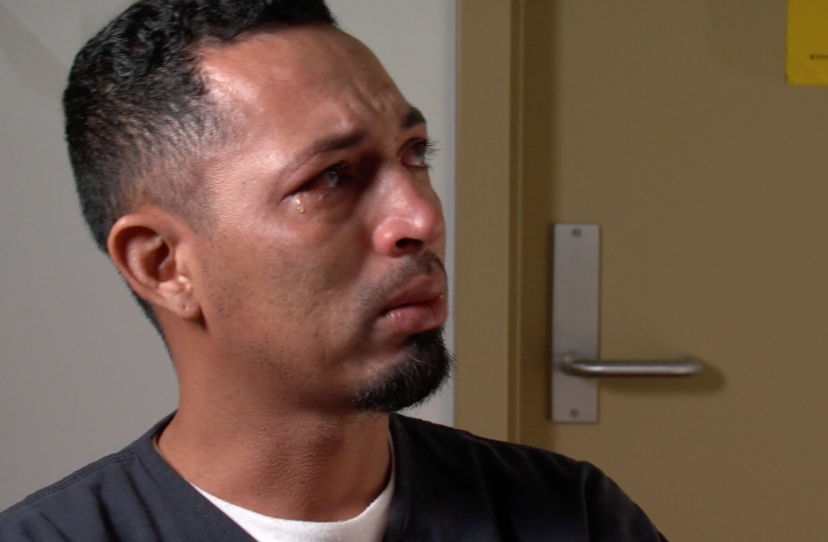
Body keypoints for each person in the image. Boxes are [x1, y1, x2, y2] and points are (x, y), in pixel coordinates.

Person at [0, 1, 668, 540]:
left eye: (414, 153)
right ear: (164, 266)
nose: (420, 218)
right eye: (331, 177)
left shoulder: (571, 517)